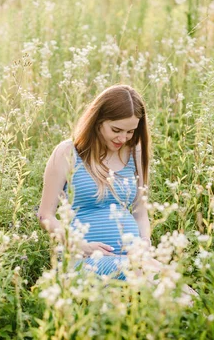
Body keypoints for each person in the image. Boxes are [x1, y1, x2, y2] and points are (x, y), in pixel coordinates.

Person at [37, 84, 151, 279]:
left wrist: (145, 245)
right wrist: (79, 245)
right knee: (151, 277)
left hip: (133, 260)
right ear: (97, 121)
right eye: (116, 129)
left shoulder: (135, 152)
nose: (123, 138)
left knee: (181, 290)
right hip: (82, 259)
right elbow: (45, 215)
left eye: (130, 132)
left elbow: (140, 212)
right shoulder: (67, 152)